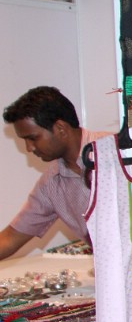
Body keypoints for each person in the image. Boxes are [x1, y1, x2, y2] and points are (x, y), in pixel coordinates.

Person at [0, 87, 105, 261]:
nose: (29, 148)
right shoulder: (51, 184)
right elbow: (11, 237)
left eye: (33, 138)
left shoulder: (119, 154)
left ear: (61, 128)